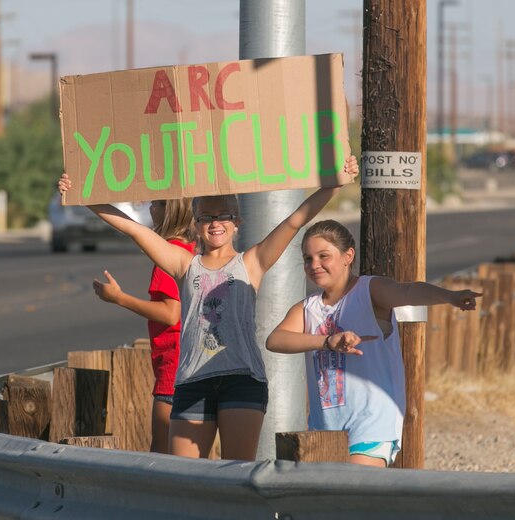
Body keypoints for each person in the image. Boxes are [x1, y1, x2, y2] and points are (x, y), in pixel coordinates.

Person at [57, 155, 358, 461]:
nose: (215, 223)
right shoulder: (184, 264)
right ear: (196, 223)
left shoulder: (251, 262)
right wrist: (83, 198)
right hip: (192, 381)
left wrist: (333, 186)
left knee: (235, 475)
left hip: (242, 380)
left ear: (236, 223)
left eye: (224, 215)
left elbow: (294, 221)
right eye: (206, 217)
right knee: (185, 480)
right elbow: (136, 230)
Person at [266, 220, 482, 468]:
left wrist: (449, 296)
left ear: (348, 256)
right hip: (324, 425)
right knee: (328, 499)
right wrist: (326, 341)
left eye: (323, 256)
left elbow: (408, 292)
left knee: (353, 491)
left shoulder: (368, 291)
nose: (315, 265)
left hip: (371, 423)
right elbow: (275, 340)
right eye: (308, 258)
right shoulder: (308, 307)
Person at [88, 198, 196, 454]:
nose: (151, 208)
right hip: (188, 363)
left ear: (170, 210)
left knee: (161, 454)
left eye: (157, 203)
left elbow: (171, 314)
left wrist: (119, 298)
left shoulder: (171, 254)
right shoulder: (193, 248)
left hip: (174, 367)